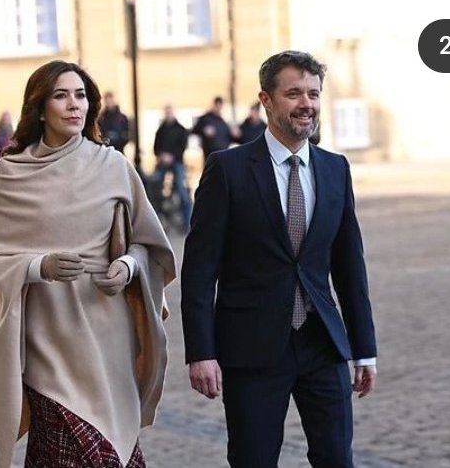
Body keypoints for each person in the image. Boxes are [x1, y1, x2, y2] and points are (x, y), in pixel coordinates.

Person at [180, 50, 377, 468]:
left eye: (313, 94)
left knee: (337, 459)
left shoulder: (335, 169)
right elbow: (199, 270)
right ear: (266, 100)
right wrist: (201, 352)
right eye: (294, 93)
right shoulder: (228, 169)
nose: (306, 103)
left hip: (321, 342)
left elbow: (349, 266)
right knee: (253, 460)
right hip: (251, 346)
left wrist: (364, 349)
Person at [0, 60, 176, 468]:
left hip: (107, 338)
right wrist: (40, 267)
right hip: (47, 338)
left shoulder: (113, 166)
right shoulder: (11, 173)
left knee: (96, 451)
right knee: (85, 453)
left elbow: (150, 246)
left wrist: (128, 266)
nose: (74, 105)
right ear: (39, 108)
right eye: (61, 96)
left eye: (81, 95)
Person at [150, 104, 192, 233]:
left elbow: (183, 147)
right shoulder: (161, 129)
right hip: (162, 162)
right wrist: (161, 155)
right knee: (154, 187)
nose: (168, 114)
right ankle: (156, 221)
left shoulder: (181, 129)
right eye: (167, 112)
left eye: (170, 112)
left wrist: (171, 156)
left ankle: (187, 223)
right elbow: (156, 147)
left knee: (181, 189)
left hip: (177, 162)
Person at [191, 96, 232, 162]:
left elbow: (228, 137)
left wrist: (233, 134)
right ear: (213, 105)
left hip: (223, 154)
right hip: (210, 154)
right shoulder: (205, 118)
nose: (219, 108)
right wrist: (204, 130)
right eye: (217, 105)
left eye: (220, 106)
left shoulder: (223, 122)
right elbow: (194, 130)